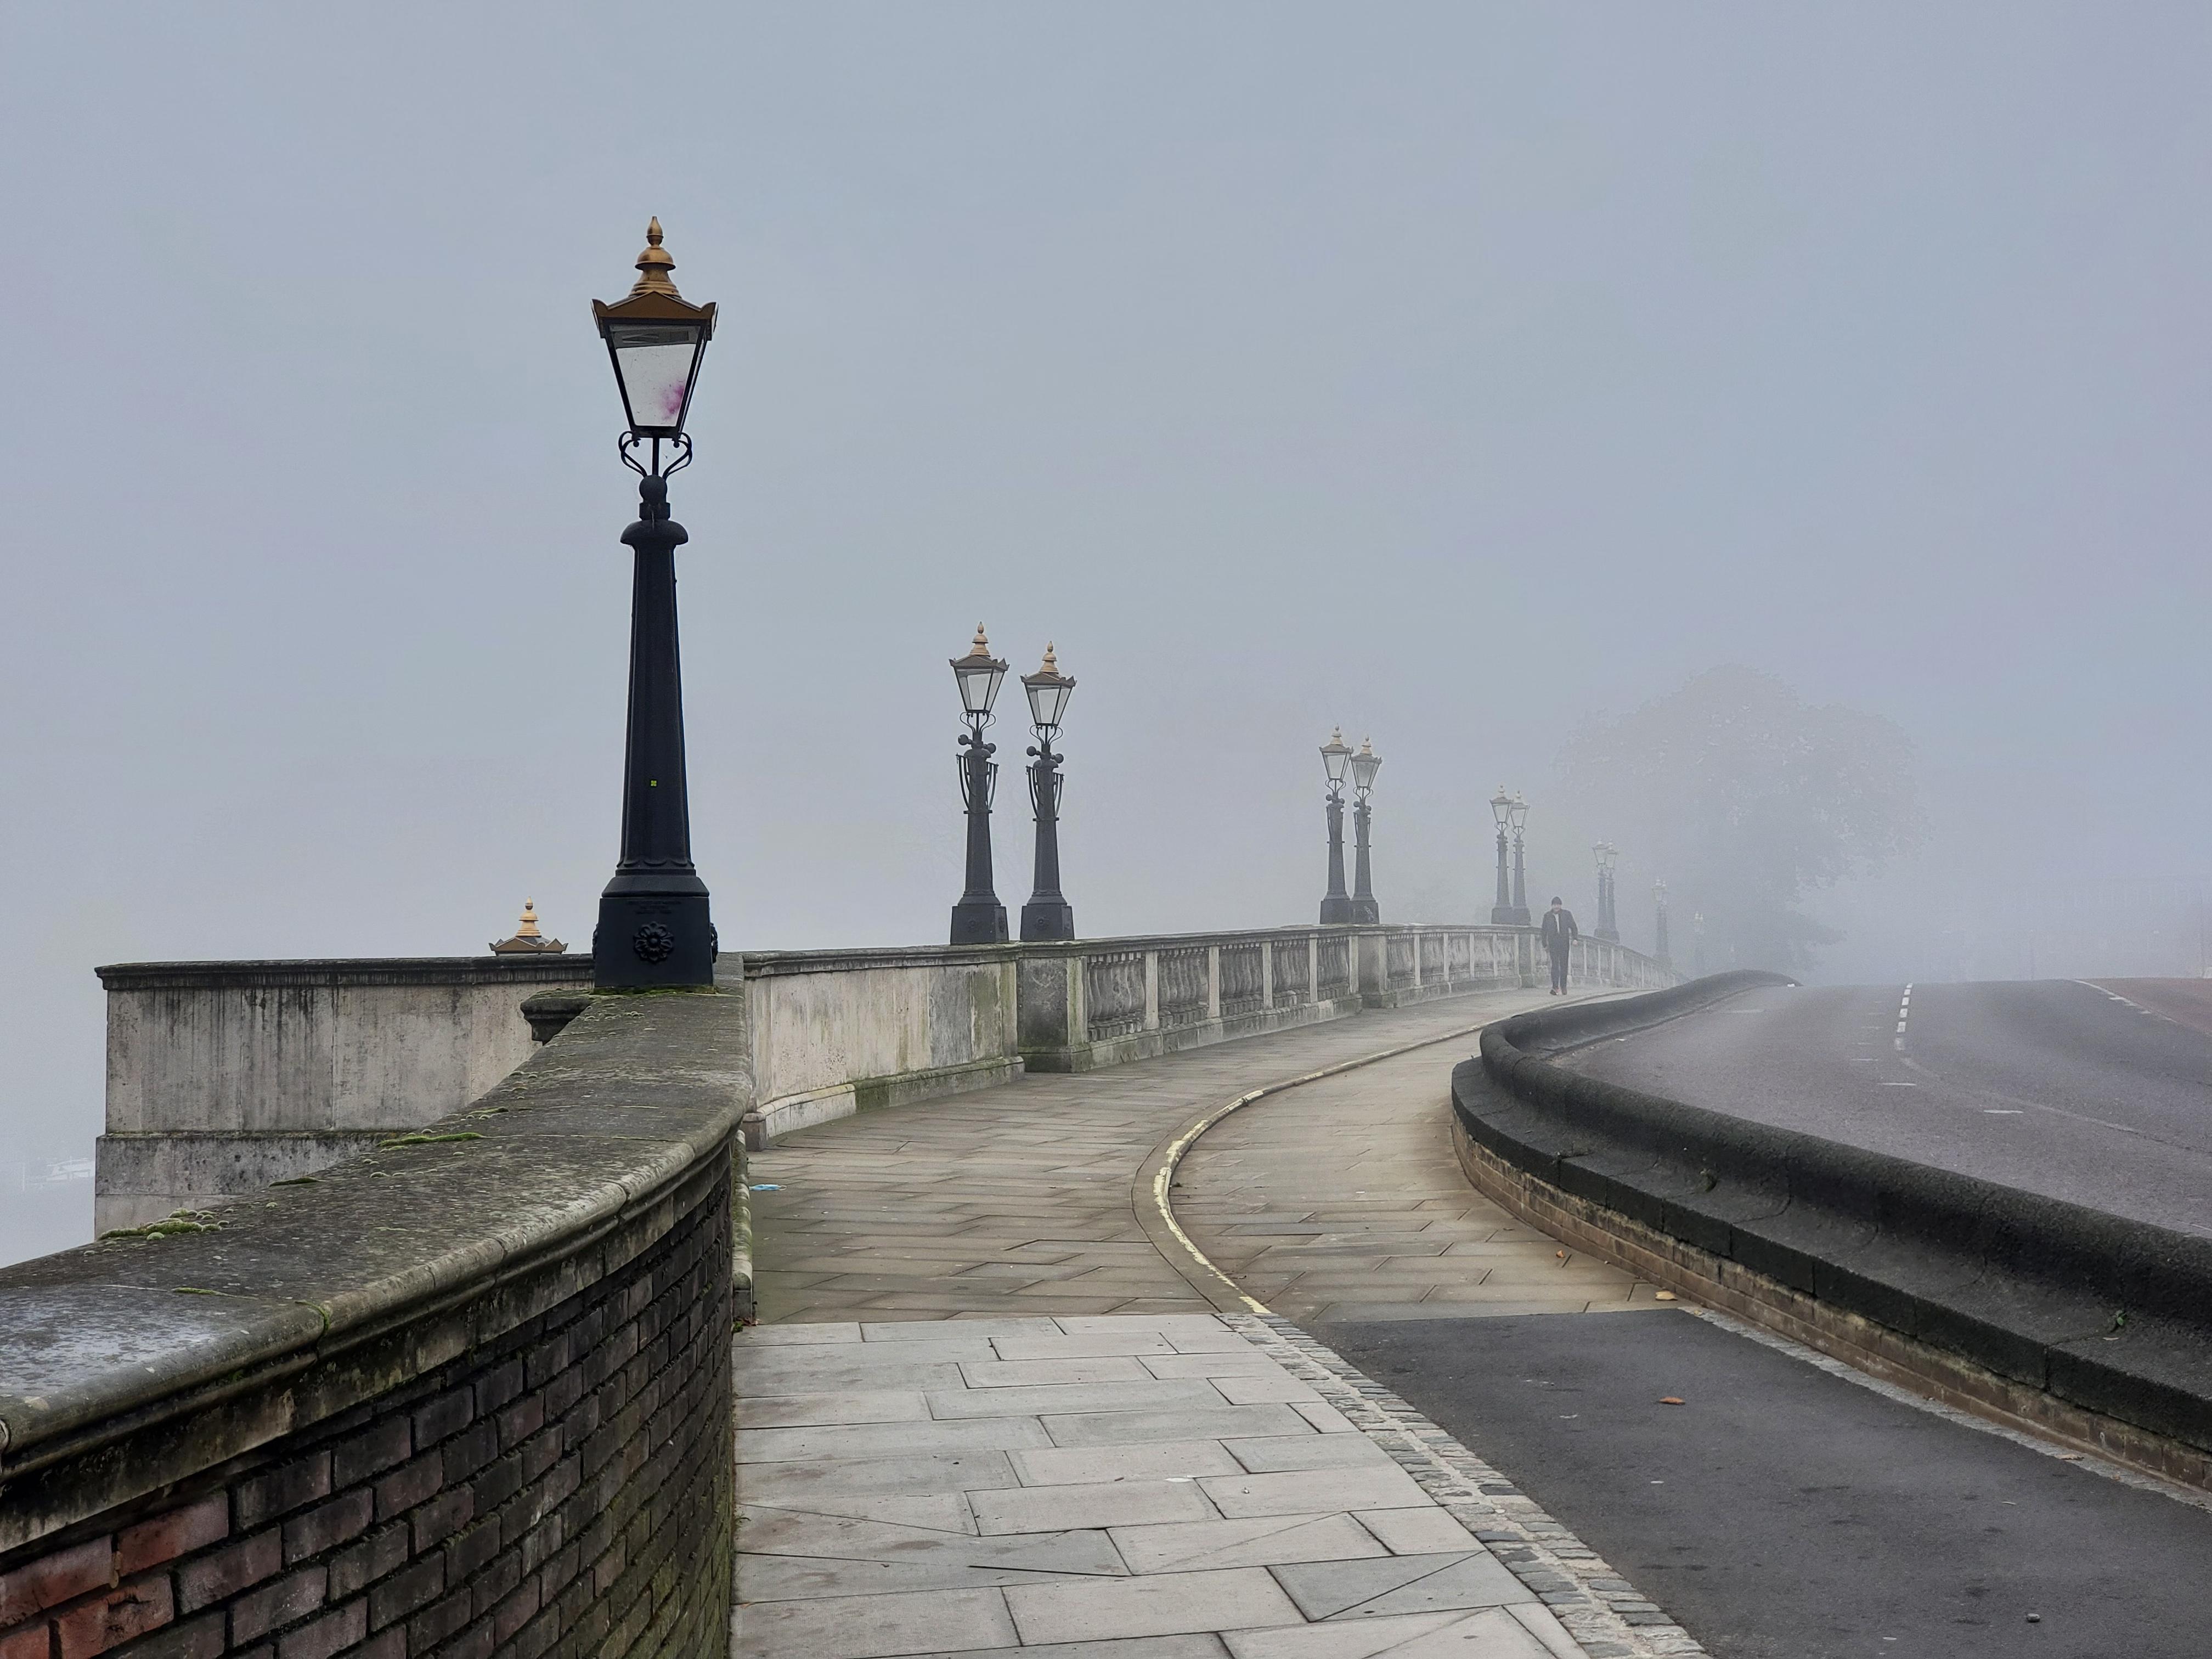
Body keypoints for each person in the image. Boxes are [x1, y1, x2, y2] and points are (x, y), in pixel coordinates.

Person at [1540, 896, 1578, 995]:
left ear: (1561, 905)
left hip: (1564, 944)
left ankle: (1563, 986)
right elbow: (1544, 931)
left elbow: (1573, 927)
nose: (1556, 907)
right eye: (1554, 905)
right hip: (1553, 944)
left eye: (1558, 905)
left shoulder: (1567, 915)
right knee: (1555, 966)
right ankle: (1555, 987)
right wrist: (1544, 944)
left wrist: (1575, 939)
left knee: (1564, 966)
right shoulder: (1547, 916)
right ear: (1552, 906)